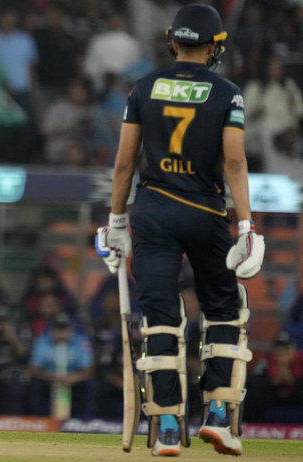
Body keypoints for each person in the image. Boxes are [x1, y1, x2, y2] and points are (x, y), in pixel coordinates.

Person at [95, 4, 265, 457]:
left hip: (152, 211)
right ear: (215, 46)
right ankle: (217, 417)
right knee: (225, 310)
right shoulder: (228, 93)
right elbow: (233, 162)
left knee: (161, 316)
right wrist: (246, 225)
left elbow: (125, 163)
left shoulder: (143, 88)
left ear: (173, 41)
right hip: (204, 211)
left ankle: (168, 424)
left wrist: (115, 222)